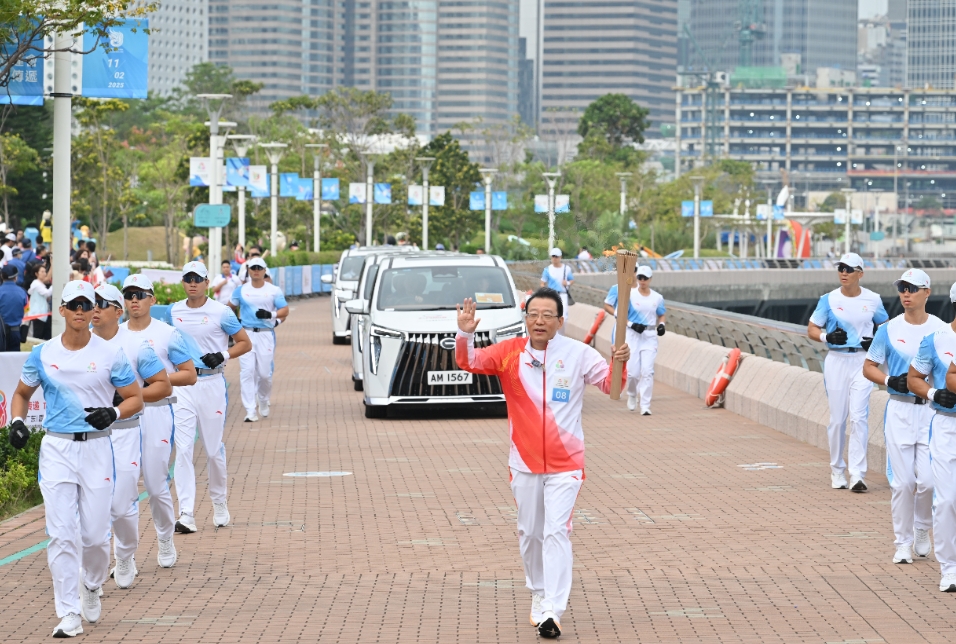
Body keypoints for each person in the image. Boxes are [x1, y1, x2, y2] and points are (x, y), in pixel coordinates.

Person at [455, 288, 629, 639]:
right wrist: (465, 334)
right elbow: (469, 362)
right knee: (530, 532)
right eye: (534, 314)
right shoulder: (509, 353)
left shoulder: (579, 353)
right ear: (526, 318)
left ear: (560, 321)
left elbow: (612, 386)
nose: (539, 321)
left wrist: (621, 362)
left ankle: (553, 609)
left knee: (556, 531)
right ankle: (538, 592)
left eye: (547, 315)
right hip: (523, 461)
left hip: (567, 463)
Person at [7, 280, 143, 638]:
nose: (81, 311)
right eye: (74, 305)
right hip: (57, 449)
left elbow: (135, 398)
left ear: (92, 309)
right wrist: (17, 421)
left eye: (86, 304)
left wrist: (113, 412)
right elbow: (21, 393)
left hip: (97, 448)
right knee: (62, 534)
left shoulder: (110, 353)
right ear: (62, 310)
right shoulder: (43, 353)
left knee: (95, 537)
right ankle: (68, 612)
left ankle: (92, 584)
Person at [91, 284, 174, 588]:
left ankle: (129, 552)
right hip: (89, 435)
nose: (94, 309)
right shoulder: (79, 344)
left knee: (124, 501)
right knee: (92, 504)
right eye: (91, 303)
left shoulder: (137, 345)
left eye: (102, 304)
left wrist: (130, 396)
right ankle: (93, 572)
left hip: (126, 430)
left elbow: (163, 385)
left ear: (117, 311)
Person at [119, 274, 200, 570]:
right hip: (123, 416)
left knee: (155, 485)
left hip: (156, 411)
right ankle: (124, 555)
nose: (134, 300)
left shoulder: (167, 334)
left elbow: (190, 374)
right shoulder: (114, 335)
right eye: (129, 295)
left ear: (152, 299)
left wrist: (156, 380)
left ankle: (165, 537)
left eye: (140, 295)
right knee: (122, 487)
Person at [862, 269, 942, 565]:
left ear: (927, 293)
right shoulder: (888, 329)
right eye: (902, 288)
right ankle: (902, 543)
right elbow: (869, 366)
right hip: (899, 410)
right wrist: (888, 380)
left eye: (912, 288)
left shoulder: (940, 330)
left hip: (930, 411)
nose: (906, 293)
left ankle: (922, 527)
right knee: (903, 482)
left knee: (929, 482)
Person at [164, 261, 251, 533]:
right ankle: (186, 513)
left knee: (213, 450)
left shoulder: (221, 312)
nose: (193, 283)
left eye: (197, 279)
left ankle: (219, 501)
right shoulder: (173, 311)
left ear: (206, 283)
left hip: (212, 383)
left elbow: (245, 343)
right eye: (188, 278)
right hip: (183, 385)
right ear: (183, 282)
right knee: (183, 448)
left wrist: (223, 355)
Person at [808, 252, 889, 492]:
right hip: (837, 360)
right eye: (841, 268)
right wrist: (827, 337)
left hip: (862, 362)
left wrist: (875, 341)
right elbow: (812, 328)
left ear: (860, 274)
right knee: (837, 420)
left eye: (849, 269)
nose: (843, 273)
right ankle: (837, 470)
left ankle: (857, 475)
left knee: (859, 417)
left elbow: (885, 326)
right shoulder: (828, 300)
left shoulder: (873, 299)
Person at [911, 283, 956, 591]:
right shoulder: (936, 339)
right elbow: (914, 378)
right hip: (946, 426)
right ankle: (949, 568)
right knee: (948, 500)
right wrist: (934, 393)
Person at [231, 257, 289, 422]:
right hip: (246, 334)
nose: (256, 271)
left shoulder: (274, 290)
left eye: (259, 268)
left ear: (264, 271)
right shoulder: (240, 290)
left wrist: (271, 315)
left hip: (265, 334)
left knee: (264, 374)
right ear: (248, 270)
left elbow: (285, 310)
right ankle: (250, 410)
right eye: (253, 268)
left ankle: (263, 399)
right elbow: (229, 308)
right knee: (247, 371)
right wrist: (234, 325)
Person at [603, 265, 666, 415]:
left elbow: (661, 314)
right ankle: (632, 394)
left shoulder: (657, 297)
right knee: (632, 373)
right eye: (640, 278)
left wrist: (662, 325)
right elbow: (620, 313)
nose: (642, 280)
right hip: (632, 335)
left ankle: (645, 405)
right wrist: (631, 324)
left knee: (647, 371)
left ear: (650, 279)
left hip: (649, 336)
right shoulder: (629, 294)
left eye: (645, 278)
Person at [540, 249, 573, 335]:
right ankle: (553, 334)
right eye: (553, 256)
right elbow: (542, 283)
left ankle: (560, 335)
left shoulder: (566, 269)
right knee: (551, 315)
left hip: (563, 295)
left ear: (560, 257)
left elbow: (572, 280)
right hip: (552, 295)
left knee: (563, 316)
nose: (554, 258)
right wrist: (545, 292)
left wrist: (567, 283)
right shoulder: (547, 269)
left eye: (556, 256)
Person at [0, 263, 27, 350]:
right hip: (15, 331)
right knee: (14, 356)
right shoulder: (23, 292)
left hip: (1, 332)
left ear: (2, 276)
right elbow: (27, 312)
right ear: (16, 277)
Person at [28, 264, 53, 340]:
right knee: (37, 336)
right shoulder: (36, 284)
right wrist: (54, 285)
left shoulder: (40, 284)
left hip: (42, 314)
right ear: (36, 274)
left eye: (45, 271)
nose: (44, 273)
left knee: (44, 335)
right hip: (37, 315)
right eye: (42, 272)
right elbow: (47, 293)